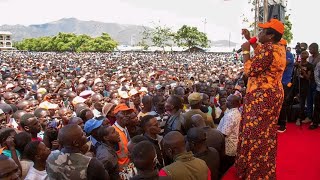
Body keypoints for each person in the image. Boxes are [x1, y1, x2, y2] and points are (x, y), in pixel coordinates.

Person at [235, 19, 286, 179]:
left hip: (261, 98)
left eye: (263, 31)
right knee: (265, 133)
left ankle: (255, 172)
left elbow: (251, 70)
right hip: (272, 95)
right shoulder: (278, 48)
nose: (259, 33)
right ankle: (262, 169)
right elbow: (262, 57)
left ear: (270, 36)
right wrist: (250, 40)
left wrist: (245, 52)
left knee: (255, 133)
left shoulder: (268, 50)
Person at [217, 95, 241, 174]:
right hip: (232, 144)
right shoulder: (235, 112)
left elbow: (223, 133)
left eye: (228, 100)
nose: (226, 102)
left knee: (225, 169)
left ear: (233, 103)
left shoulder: (231, 116)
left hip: (228, 147)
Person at [291, 51, 313, 126]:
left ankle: (300, 118)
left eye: (305, 53)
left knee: (302, 102)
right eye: (302, 53)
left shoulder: (310, 65)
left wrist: (301, 68)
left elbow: (308, 77)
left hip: (304, 86)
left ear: (307, 56)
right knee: (291, 99)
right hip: (295, 84)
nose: (303, 54)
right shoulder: (297, 63)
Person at [278, 39, 294, 132]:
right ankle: (278, 121)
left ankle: (283, 124)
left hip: (285, 82)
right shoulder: (280, 54)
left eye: (279, 45)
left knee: (283, 103)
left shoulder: (289, 55)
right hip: (278, 82)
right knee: (278, 103)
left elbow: (282, 64)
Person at [112, 103, 133, 170]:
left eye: (128, 113)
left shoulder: (125, 128)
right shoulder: (113, 132)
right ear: (116, 115)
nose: (127, 116)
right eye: (123, 113)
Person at [309, 54, 320, 129]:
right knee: (317, 107)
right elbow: (316, 76)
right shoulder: (319, 64)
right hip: (319, 89)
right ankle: (315, 123)